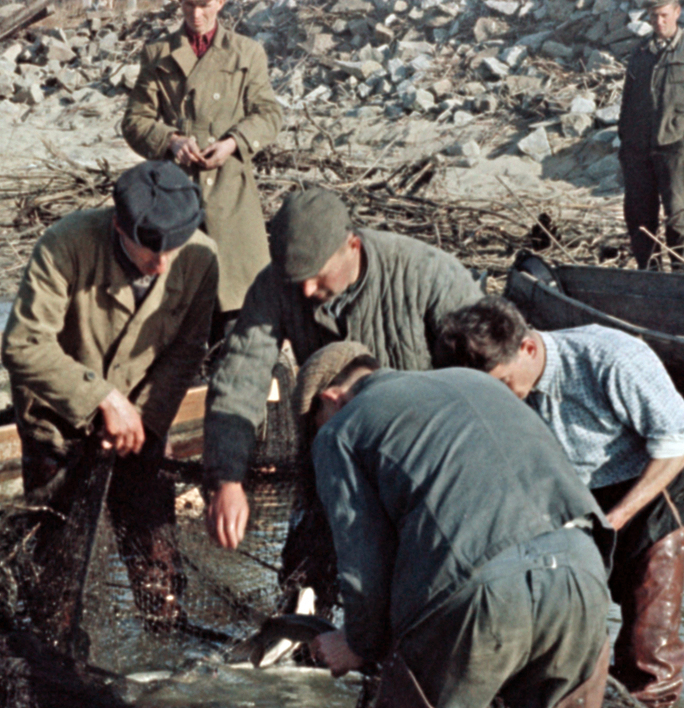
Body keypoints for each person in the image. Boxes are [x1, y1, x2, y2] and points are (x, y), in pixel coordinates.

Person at [295, 345, 613, 708]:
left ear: (331, 397)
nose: (317, 432)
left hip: (483, 592)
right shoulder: (477, 382)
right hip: (584, 570)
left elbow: (364, 562)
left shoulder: (340, 429)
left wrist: (356, 642)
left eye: (313, 420)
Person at [437, 297, 684, 708]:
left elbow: (680, 439)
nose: (499, 398)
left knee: (647, 646)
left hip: (649, 489)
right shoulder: (495, 385)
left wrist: (617, 518)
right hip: (570, 494)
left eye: (503, 383)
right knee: (559, 622)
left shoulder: (611, 357)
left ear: (526, 348)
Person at [0, 159, 218, 629]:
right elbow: (21, 345)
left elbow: (186, 352)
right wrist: (102, 400)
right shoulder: (66, 245)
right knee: (56, 571)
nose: (161, 266)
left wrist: (144, 421)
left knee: (158, 561)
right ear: (120, 226)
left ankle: (166, 643)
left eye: (171, 252)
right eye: (148, 253)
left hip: (141, 422)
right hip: (58, 423)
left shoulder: (202, 259)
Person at [203, 186, 483, 551]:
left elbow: (486, 381)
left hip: (430, 463)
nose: (305, 291)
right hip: (334, 458)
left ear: (353, 246)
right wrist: (226, 479)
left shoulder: (429, 274)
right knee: (308, 569)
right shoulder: (275, 285)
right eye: (295, 279)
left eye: (317, 276)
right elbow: (240, 377)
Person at [123, 0, 282, 319]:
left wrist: (233, 143)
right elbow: (135, 120)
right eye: (188, 4)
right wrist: (170, 141)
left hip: (231, 194)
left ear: (221, 3)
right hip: (174, 193)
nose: (196, 15)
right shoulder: (157, 53)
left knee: (240, 300)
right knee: (174, 302)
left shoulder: (247, 52)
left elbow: (269, 115)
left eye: (205, 5)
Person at [618, 0, 684, 270]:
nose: (659, 21)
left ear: (677, 13)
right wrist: (626, 142)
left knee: (677, 216)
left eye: (664, 15)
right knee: (639, 216)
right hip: (639, 149)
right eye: (653, 16)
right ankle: (649, 273)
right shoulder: (639, 51)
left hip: (675, 146)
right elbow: (627, 100)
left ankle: (683, 275)